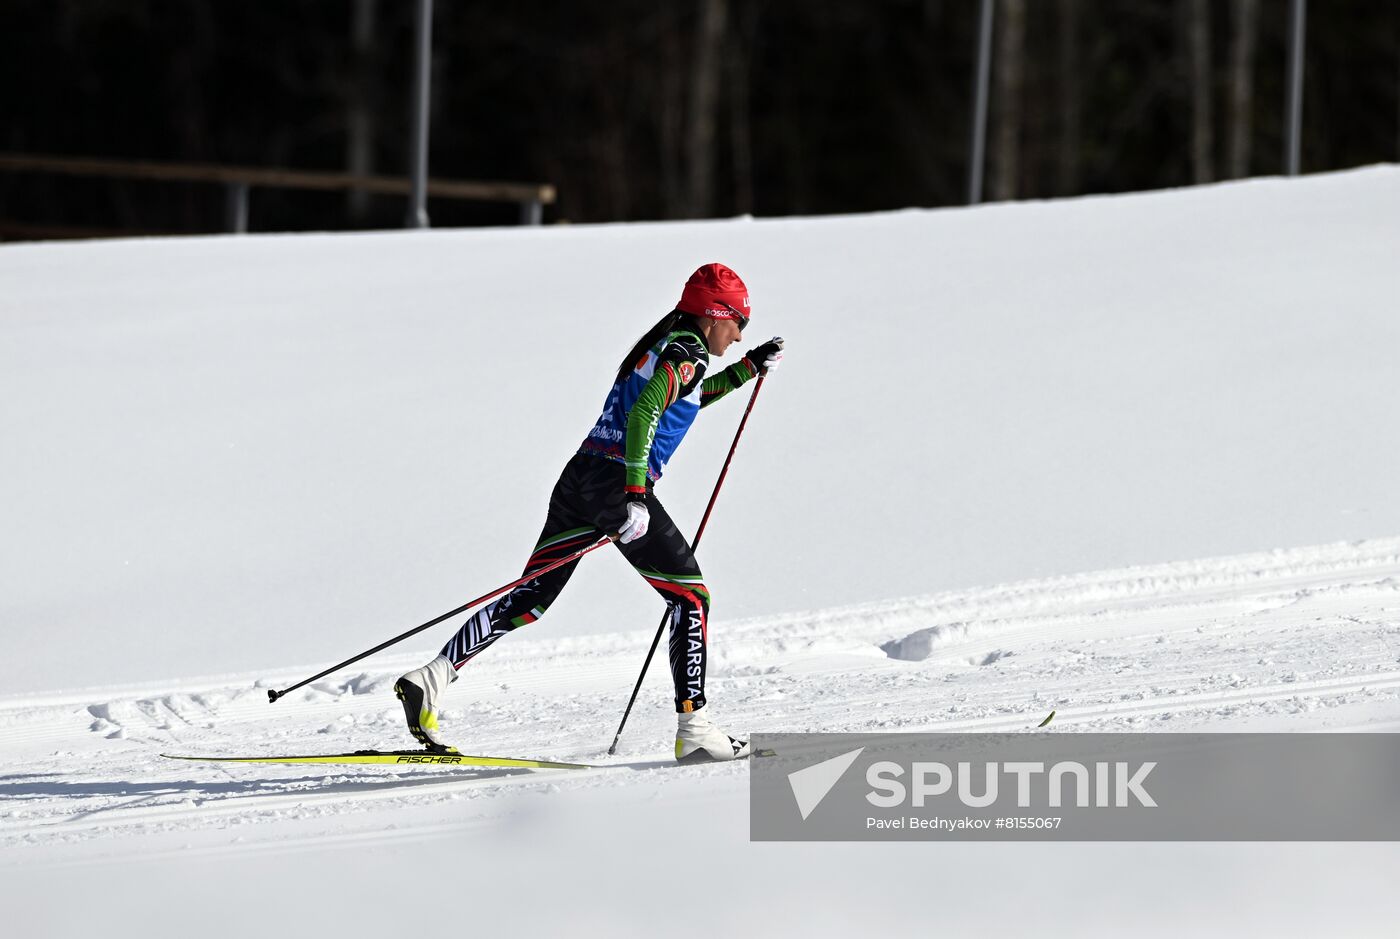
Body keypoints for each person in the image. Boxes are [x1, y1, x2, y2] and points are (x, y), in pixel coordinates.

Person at [394, 263, 784, 762]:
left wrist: (746, 368)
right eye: (740, 324)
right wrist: (637, 494)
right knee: (691, 597)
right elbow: (646, 413)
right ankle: (695, 727)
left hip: (581, 476)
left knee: (530, 597)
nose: (738, 334)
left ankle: (431, 678)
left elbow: (681, 401)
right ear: (716, 315)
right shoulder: (685, 352)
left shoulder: (670, 346)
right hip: (615, 484)